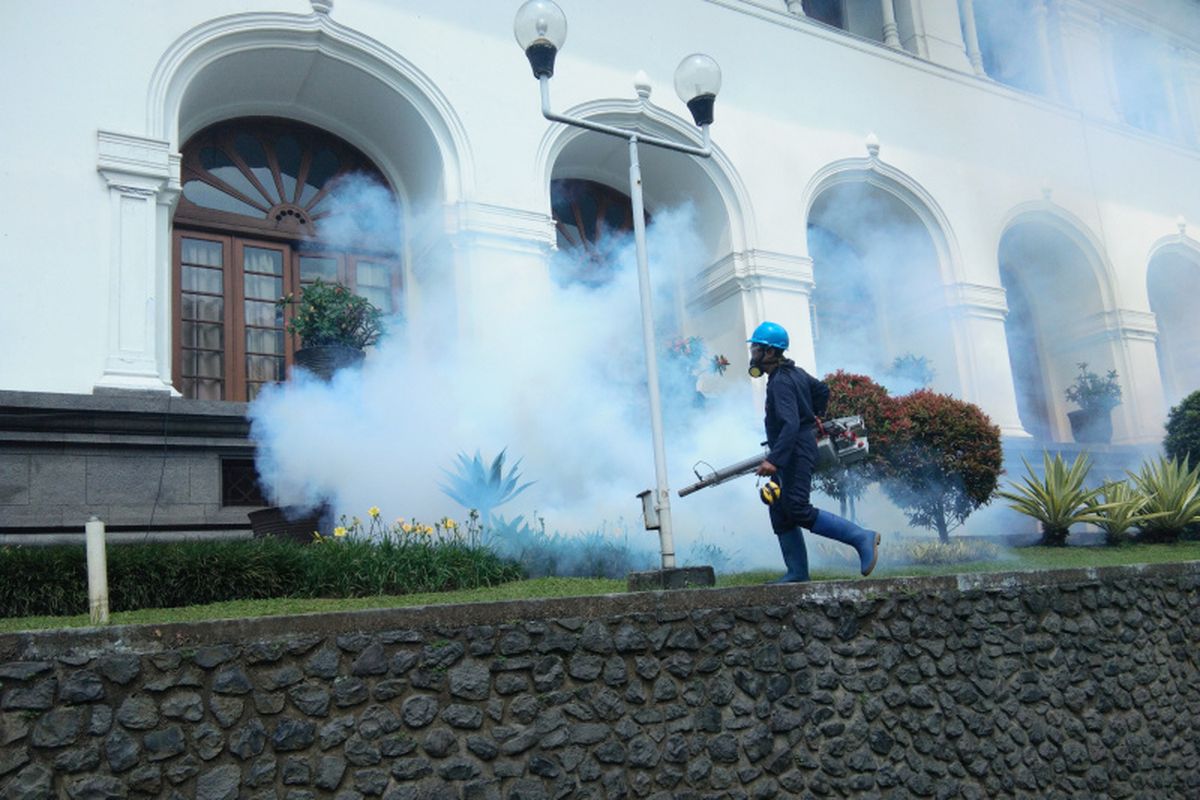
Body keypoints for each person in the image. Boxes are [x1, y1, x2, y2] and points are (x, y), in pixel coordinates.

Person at [747, 321, 880, 582]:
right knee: (779, 507)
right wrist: (813, 416)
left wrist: (774, 460)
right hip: (795, 445)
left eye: (756, 349)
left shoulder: (780, 383)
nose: (753, 355)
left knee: (796, 507)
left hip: (794, 449)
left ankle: (861, 537)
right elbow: (822, 390)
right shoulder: (795, 373)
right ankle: (797, 573)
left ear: (770, 353)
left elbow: (790, 423)